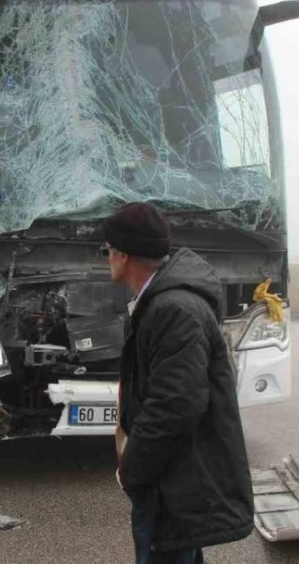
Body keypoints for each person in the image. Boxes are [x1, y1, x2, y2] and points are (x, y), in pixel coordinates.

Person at [104, 202, 254, 564]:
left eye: (107, 250)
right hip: (172, 480)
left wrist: (132, 471)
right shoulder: (161, 302)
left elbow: (175, 406)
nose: (106, 257)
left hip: (171, 485)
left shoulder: (173, 309)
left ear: (124, 256)